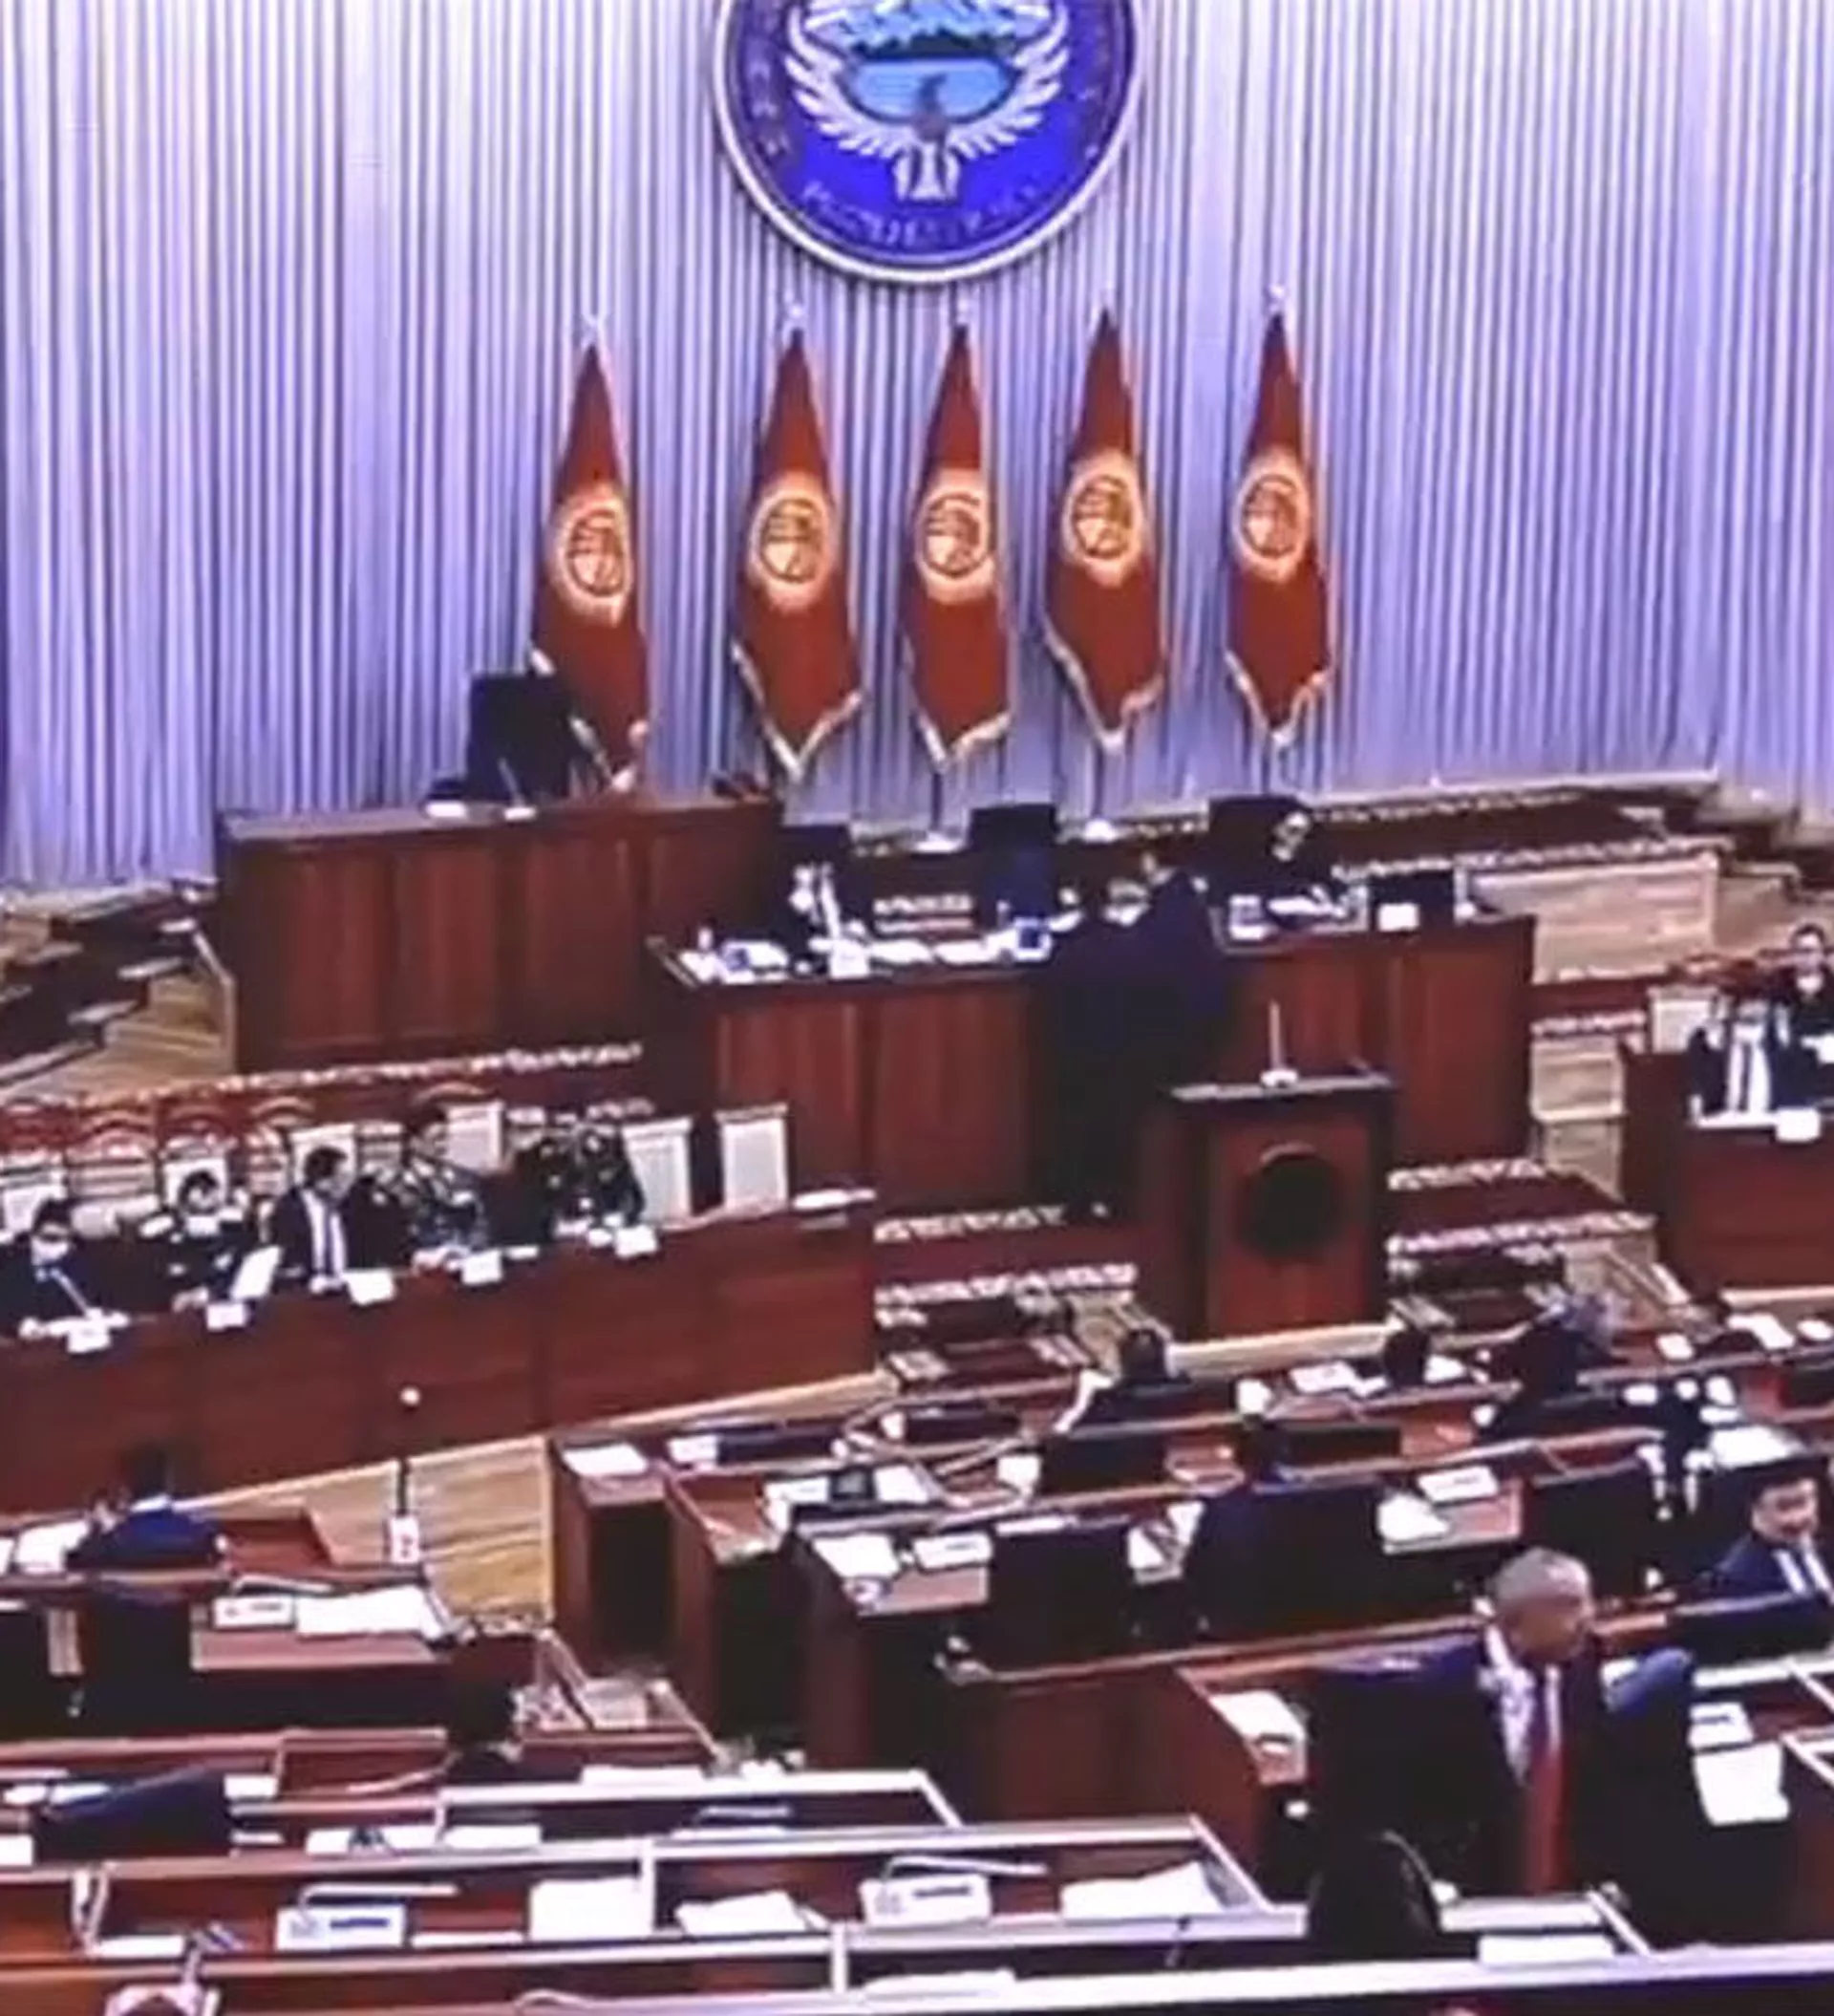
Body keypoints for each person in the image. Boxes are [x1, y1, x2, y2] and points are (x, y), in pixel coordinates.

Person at [1412, 1550, 1613, 1895]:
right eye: (1570, 1605)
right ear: (1520, 1619)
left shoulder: (1583, 1668)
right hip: (1474, 1895)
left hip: (1572, 1893)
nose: (1588, 1617)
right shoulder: (1438, 1690)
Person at [1042, 877, 1138, 1220]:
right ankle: (1120, 1198)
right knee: (1118, 1124)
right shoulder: (1127, 943)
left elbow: (1050, 1001)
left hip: (1077, 1047)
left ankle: (1078, 1200)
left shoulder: (1067, 947)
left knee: (1076, 1123)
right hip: (1122, 1044)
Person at [1130, 847, 1230, 1090]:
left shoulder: (1166, 904)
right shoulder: (1189, 896)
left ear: (1149, 861)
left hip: (1173, 1011)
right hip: (1201, 1010)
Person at [69, 1445, 223, 1571]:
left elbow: (75, 1564)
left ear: (126, 1489)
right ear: (168, 1482)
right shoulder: (204, 1535)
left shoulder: (108, 1545)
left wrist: (97, 1532)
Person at [1304, 1829, 1451, 1961]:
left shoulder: (1338, 1862)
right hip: (1406, 1939)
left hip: (1345, 1943)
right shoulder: (1396, 1853)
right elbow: (1429, 1902)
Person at [1707, 1460, 1834, 1601]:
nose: (1796, 1519)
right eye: (1783, 1507)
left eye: (1802, 1503)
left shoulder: (1827, 1549)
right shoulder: (1736, 1577)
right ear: (1756, 1510)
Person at [143, 1168, 254, 1309]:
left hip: (219, 1302)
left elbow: (235, 1272)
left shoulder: (231, 1235)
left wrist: (209, 1293)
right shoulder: (168, 1234)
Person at [0, 1196, 106, 1335]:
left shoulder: (78, 1266)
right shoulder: (10, 1269)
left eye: (65, 1239)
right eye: (49, 1238)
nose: (58, 1246)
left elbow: (93, 1302)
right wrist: (19, 1325)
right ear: (33, 1236)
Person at [1686, 988, 1799, 1117]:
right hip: (1720, 1119)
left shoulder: (1781, 1044)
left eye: (1761, 1009)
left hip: (1769, 1119)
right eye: (1746, 1005)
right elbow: (1696, 1085)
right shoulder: (1709, 1041)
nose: (1754, 1010)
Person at [392, 1103, 487, 1255]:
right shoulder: (395, 1184)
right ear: (413, 1142)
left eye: (445, 1138)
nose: (443, 1146)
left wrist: (470, 1249)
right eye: (436, 1139)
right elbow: (392, 1236)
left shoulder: (464, 1178)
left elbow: (481, 1224)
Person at [268, 1144, 356, 1286]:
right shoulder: (289, 1210)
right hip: (304, 1290)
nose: (349, 1184)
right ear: (322, 1181)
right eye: (343, 1177)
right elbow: (282, 1260)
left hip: (344, 1286)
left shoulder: (349, 1206)